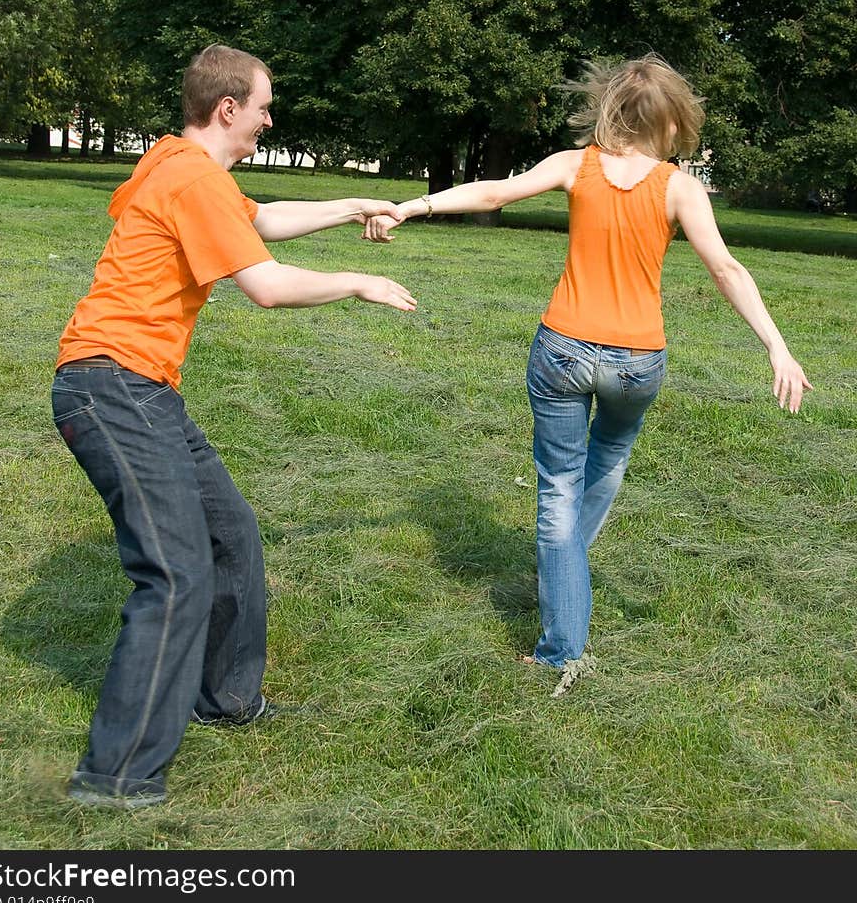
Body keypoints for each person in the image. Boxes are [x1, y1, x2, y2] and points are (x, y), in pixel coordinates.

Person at [364, 54, 812, 696]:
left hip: (564, 353)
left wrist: (412, 207)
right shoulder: (679, 186)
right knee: (604, 464)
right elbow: (727, 270)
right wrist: (777, 347)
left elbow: (493, 193)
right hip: (637, 364)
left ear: (609, 108)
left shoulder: (576, 165)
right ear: (671, 118)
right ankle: (565, 578)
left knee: (558, 491)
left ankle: (560, 646)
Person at [52, 43, 416, 808]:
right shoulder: (187, 174)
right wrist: (359, 280)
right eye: (262, 106)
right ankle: (116, 776)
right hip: (110, 385)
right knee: (178, 573)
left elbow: (261, 219)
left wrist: (354, 205)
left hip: (141, 387)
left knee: (231, 534)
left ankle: (225, 698)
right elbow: (266, 285)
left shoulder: (180, 164)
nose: (269, 118)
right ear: (228, 109)